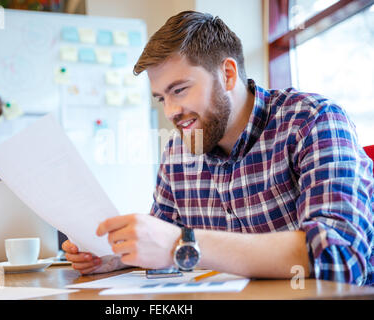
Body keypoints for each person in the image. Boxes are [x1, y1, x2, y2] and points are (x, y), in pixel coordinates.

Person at [62, 11, 373, 285]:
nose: (170, 111)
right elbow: (163, 237)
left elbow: (340, 258)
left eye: (179, 90)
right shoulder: (178, 151)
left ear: (227, 74)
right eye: (161, 98)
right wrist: (116, 257)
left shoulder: (312, 121)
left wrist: (183, 243)